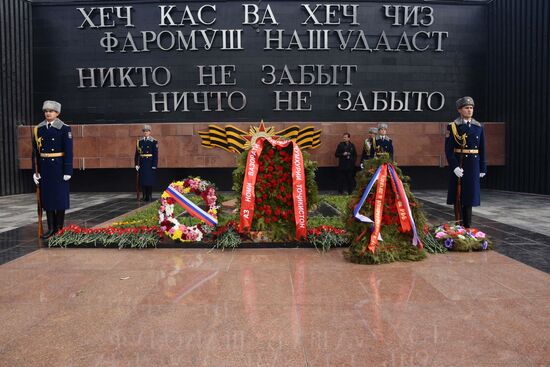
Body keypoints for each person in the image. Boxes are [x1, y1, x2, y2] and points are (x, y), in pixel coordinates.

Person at [32, 100, 73, 239]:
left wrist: (68, 171)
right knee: (48, 198)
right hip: (45, 168)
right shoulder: (39, 129)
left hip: (59, 168)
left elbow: (69, 151)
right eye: (46, 111)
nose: (48, 113)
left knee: (60, 199)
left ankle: (59, 228)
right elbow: (35, 152)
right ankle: (50, 228)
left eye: (51, 111)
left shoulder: (64, 128)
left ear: (57, 113)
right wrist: (34, 171)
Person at [445, 96, 487, 228]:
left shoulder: (478, 127)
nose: (469, 110)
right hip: (460, 164)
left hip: (473, 165)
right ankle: (459, 225)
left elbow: (482, 148)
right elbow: (448, 150)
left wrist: (482, 168)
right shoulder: (453, 126)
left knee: (469, 197)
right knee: (458, 197)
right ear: (459, 110)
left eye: (471, 108)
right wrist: (455, 167)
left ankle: (467, 227)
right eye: (466, 108)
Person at [135, 124, 158, 201]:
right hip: (142, 163)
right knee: (143, 180)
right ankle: (144, 196)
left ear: (150, 132)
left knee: (149, 180)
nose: (146, 132)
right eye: (144, 131)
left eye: (147, 131)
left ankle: (150, 196)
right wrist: (136, 164)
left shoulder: (154, 141)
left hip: (150, 163)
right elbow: (136, 154)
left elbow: (155, 155)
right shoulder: (139, 142)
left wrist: (154, 165)